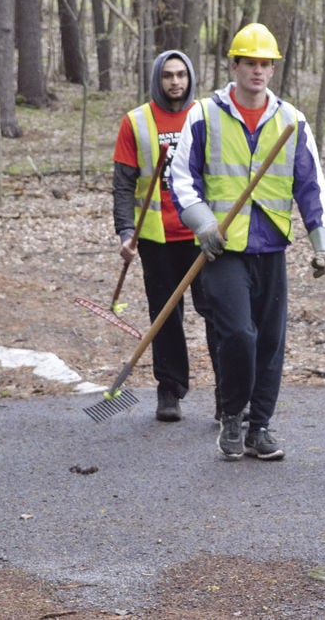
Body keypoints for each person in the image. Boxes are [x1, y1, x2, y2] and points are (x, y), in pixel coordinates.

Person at [168, 23, 325, 462]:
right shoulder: (204, 115)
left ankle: (260, 426)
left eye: (265, 64)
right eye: (250, 63)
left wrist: (323, 242)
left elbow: (310, 184)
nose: (258, 71)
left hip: (271, 245)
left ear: (273, 69)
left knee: (270, 341)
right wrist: (202, 222)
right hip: (222, 248)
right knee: (239, 334)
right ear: (234, 65)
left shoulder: (291, 120)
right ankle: (232, 415)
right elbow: (181, 177)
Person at [112, 50, 218, 423]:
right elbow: (123, 185)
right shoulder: (136, 122)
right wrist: (126, 232)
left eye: (181, 75)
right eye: (168, 76)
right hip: (156, 238)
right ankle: (170, 390)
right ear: (158, 79)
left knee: (218, 313)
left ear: (190, 78)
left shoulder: (206, 115)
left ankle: (228, 398)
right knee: (165, 316)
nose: (175, 82)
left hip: (204, 235)